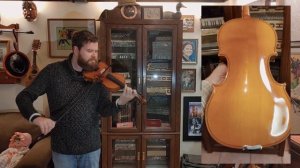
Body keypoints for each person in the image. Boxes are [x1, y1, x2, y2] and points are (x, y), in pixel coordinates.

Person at [15, 30, 136, 168]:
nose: (94, 56)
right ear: (76, 50)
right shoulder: (53, 72)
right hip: (63, 150)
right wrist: (37, 118)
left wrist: (121, 102)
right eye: (90, 51)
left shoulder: (99, 76)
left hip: (91, 148)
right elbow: (23, 97)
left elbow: (104, 109)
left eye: (96, 51)